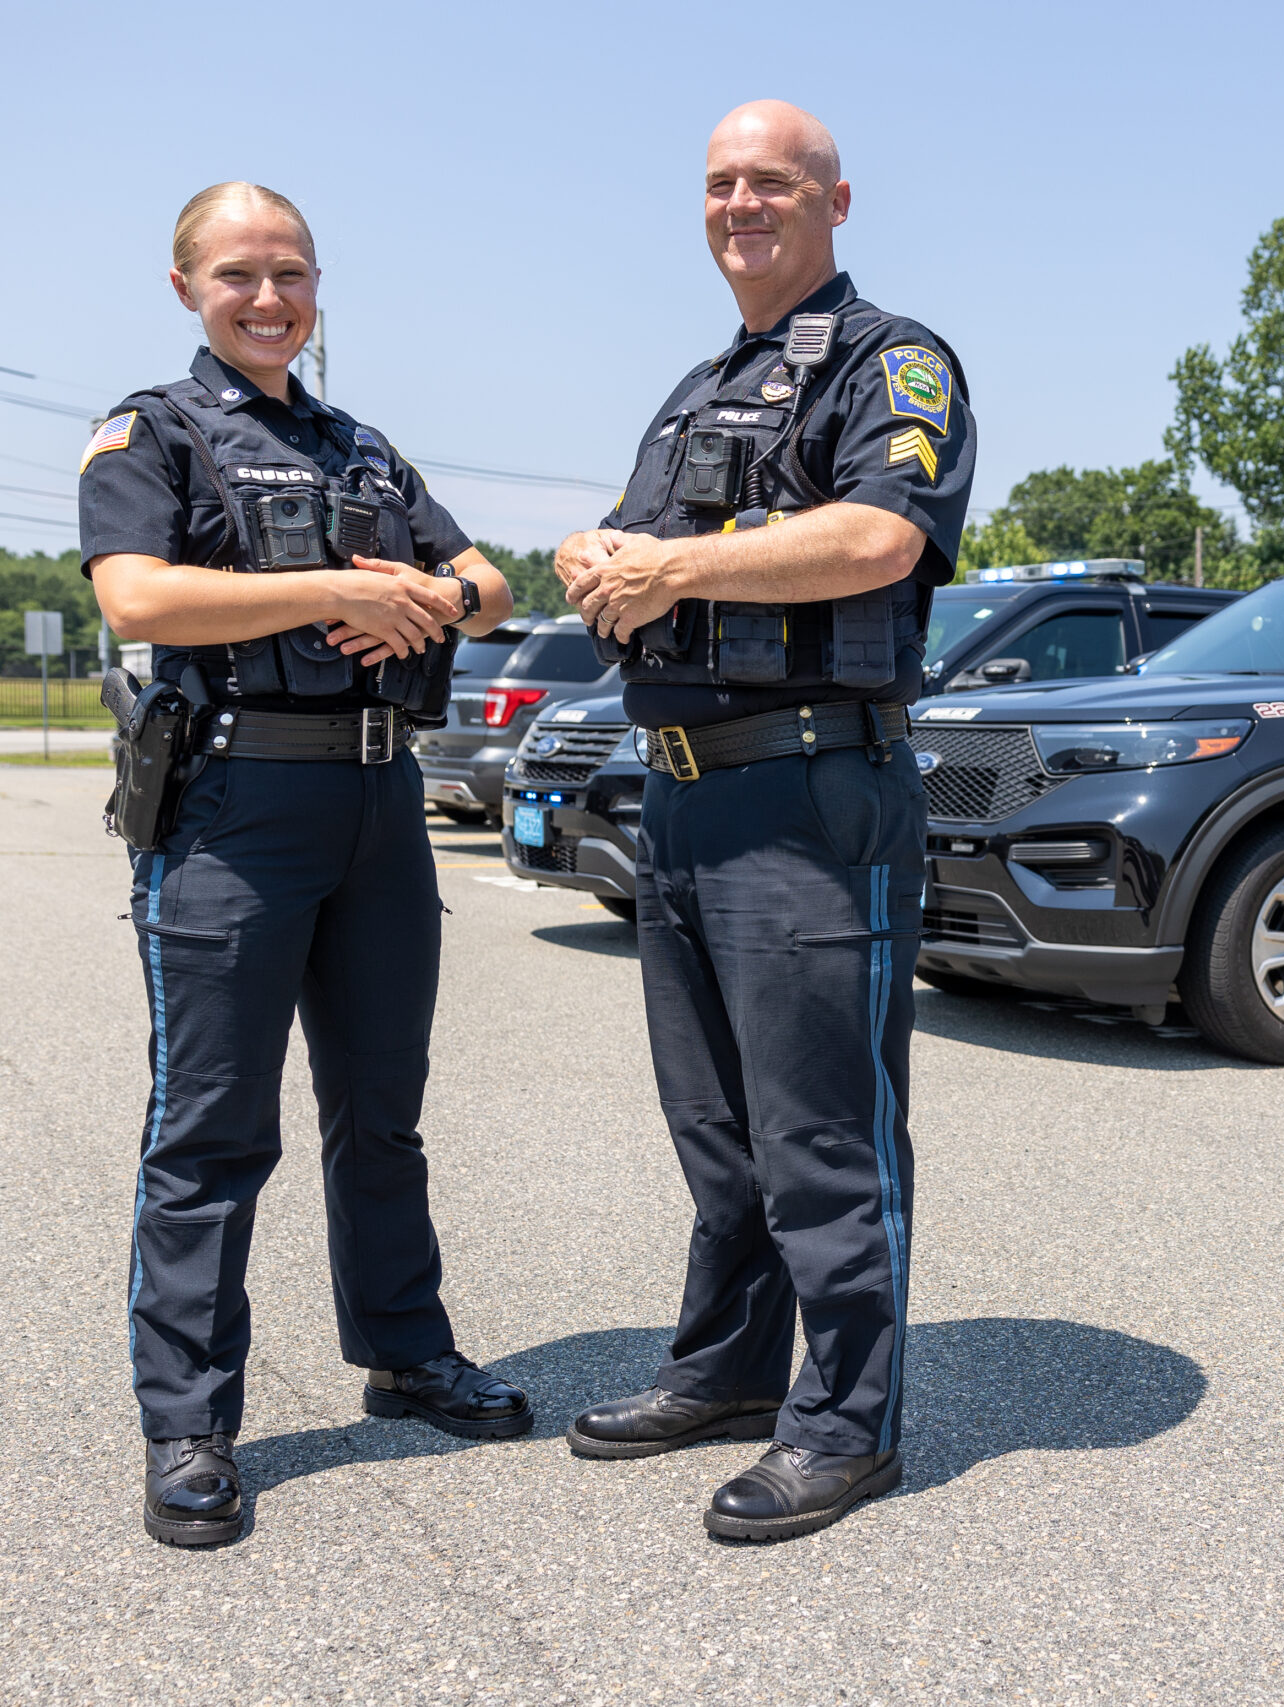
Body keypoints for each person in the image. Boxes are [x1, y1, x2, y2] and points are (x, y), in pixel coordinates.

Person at [83, 182, 532, 1548]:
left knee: (381, 1111)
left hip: (380, 804)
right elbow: (137, 595)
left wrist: (434, 598)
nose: (268, 298)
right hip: (236, 805)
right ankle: (190, 1425)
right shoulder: (152, 431)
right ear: (186, 291)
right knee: (214, 1130)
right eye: (238, 275)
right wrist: (339, 591)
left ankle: (405, 1354)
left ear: (317, 286)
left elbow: (493, 583)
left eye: (290, 274)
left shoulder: (365, 450)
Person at [553, 101, 976, 1541]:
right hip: (680, 791)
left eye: (772, 183)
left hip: (810, 793)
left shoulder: (889, 362)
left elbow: (878, 537)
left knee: (823, 1132)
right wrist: (591, 552)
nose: (743, 204)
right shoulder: (697, 386)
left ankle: (847, 1424)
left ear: (835, 201)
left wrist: (667, 565)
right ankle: (728, 1372)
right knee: (718, 1127)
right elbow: (637, 545)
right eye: (723, 184)